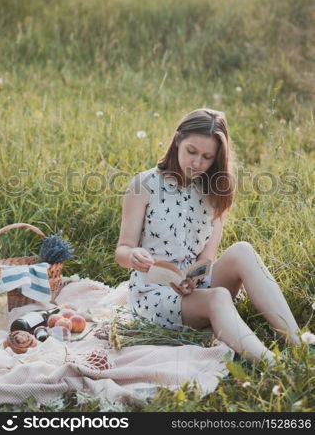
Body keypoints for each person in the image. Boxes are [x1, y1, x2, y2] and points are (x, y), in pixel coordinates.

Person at [115, 108, 301, 365]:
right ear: (178, 139)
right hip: (153, 295)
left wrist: (194, 275)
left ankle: (298, 342)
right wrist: (132, 255)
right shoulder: (144, 185)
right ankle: (273, 364)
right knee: (219, 297)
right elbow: (122, 251)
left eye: (207, 157)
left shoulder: (215, 191)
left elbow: (207, 258)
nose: (197, 163)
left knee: (242, 250)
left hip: (192, 289)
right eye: (191, 151)